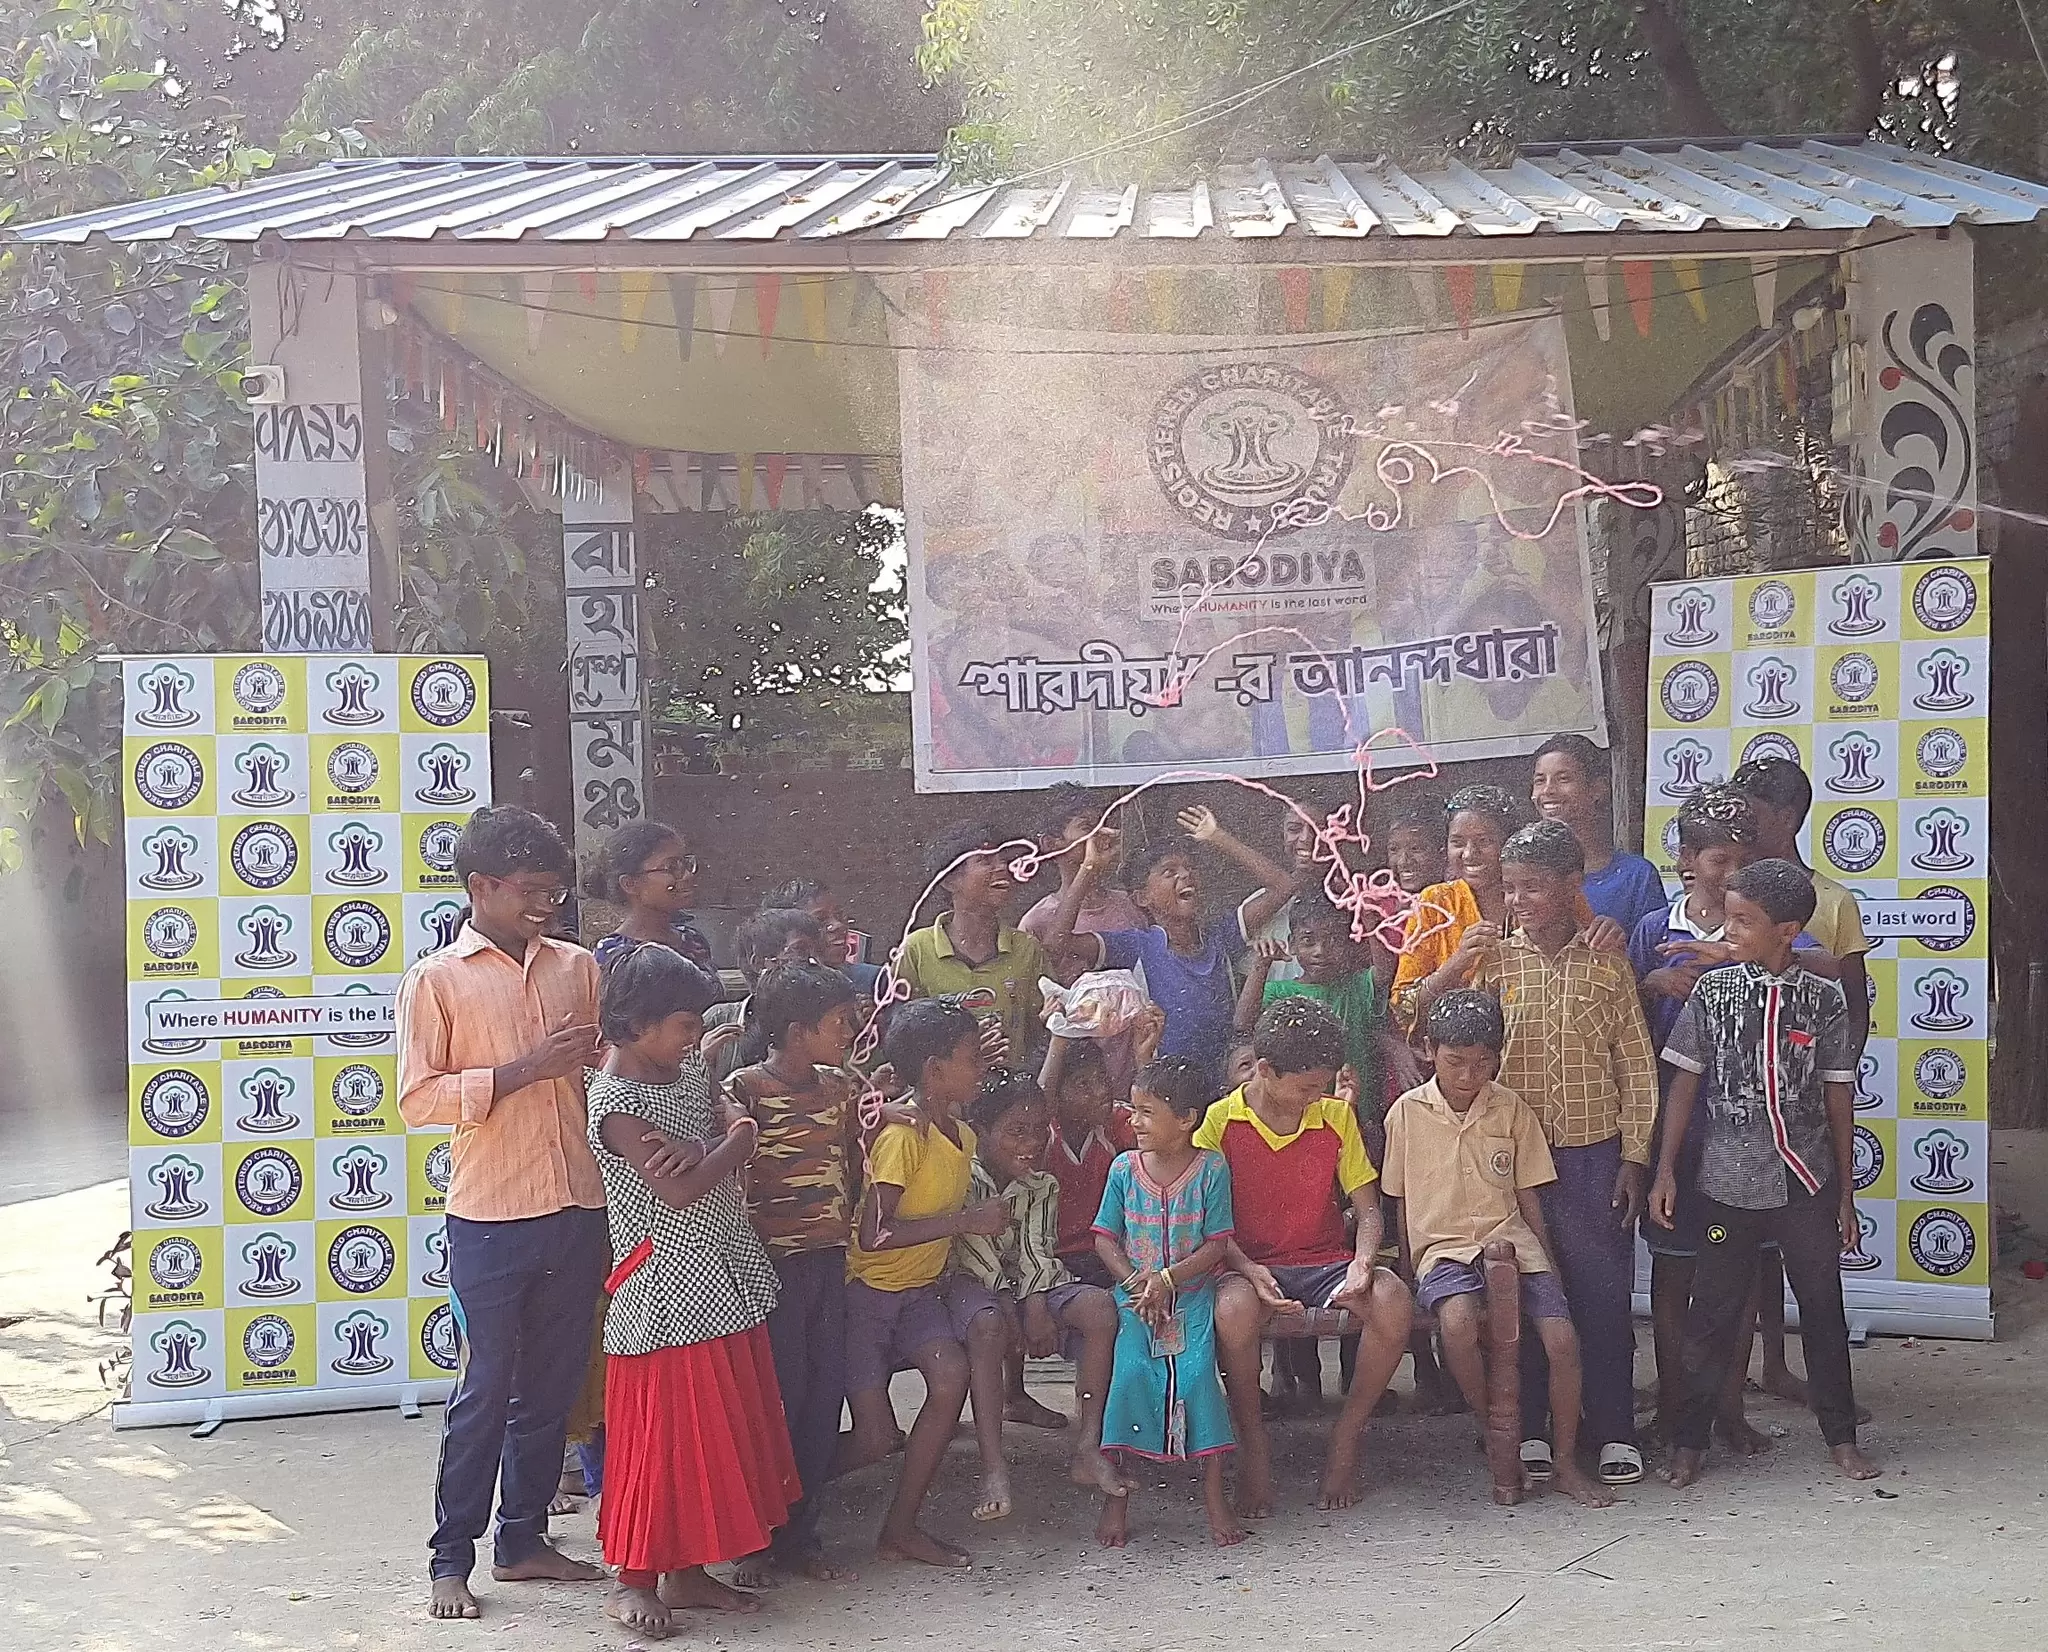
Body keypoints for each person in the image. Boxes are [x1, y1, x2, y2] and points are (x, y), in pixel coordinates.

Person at [396, 806, 611, 1621]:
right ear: (481, 886)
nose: (546, 906)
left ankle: (522, 1543)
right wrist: (522, 1071)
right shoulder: (437, 980)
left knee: (552, 1388)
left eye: (555, 893)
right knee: (485, 1389)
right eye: (531, 891)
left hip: (577, 1204)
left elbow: (600, 1073)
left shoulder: (578, 967)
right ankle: (450, 1560)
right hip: (490, 1215)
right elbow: (417, 1100)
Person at [585, 942, 800, 1639]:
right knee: (663, 1440)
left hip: (721, 1275)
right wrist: (737, 1140)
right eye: (683, 1025)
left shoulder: (680, 1071)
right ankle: (633, 1579)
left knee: (709, 1437)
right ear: (635, 1025)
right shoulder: (616, 1102)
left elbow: (718, 1115)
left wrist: (721, 1137)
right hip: (666, 1292)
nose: (693, 1037)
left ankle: (687, 1573)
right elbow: (680, 1188)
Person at [1650, 859, 1879, 1487]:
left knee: (1822, 1309)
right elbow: (1683, 1085)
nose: (1730, 931)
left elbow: (1838, 1096)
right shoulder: (1713, 992)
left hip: (1806, 1182)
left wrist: (1845, 1195)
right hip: (1727, 1183)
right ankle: (1689, 1443)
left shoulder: (1823, 999)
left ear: (1788, 930)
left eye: (1744, 921)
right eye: (1729, 918)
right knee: (1711, 1314)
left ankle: (1841, 1438)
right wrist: (1666, 1170)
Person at [1472, 820, 1658, 1489]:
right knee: (1525, 1296)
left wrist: (1634, 1157)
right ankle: (1531, 1429)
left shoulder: (1607, 964)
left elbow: (1635, 1065)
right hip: (1514, 1164)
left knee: (1601, 1295)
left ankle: (1613, 1430)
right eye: (1510, 888)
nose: (1518, 900)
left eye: (1533, 887)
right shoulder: (1495, 963)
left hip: (1591, 1156)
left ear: (1572, 885)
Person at [1382, 990, 1612, 1509]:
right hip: (1442, 1249)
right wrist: (1409, 1272)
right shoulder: (1405, 1115)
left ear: (1498, 1058)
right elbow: (1400, 1201)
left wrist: (1547, 1263)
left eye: (1482, 1062)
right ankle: (1494, 1430)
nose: (1468, 1075)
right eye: (1455, 1061)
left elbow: (1529, 1197)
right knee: (1458, 1325)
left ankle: (1565, 1462)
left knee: (1562, 1340)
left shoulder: (1511, 1109)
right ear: (1428, 1051)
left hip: (1513, 1242)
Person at [1197, 997, 1415, 1515]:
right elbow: (1207, 1221)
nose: (1315, 1097)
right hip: (1246, 1264)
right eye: (1305, 1088)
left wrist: (1363, 1262)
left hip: (1322, 1262)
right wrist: (1248, 1269)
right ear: (1265, 1070)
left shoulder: (1335, 1116)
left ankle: (1348, 1433)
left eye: (1322, 1086)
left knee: (1393, 1299)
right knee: (1232, 1310)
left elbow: (1368, 1210)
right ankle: (1253, 1443)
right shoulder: (1219, 1122)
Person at [838, 998, 1010, 1567]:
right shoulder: (903, 1137)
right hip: (867, 1298)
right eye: (971, 1058)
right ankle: (781, 1501)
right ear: (934, 1070)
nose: (981, 1067)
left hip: (917, 1295)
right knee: (874, 1439)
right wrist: (966, 1221)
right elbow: (874, 1235)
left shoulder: (960, 1135)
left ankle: (901, 1528)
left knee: (951, 1375)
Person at [1730, 755, 1873, 1408]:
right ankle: (1759, 1369)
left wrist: (1830, 1083)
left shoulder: (1835, 902)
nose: (1742, 826)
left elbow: (1855, 1005)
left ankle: (1808, 1382)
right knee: (1746, 1253)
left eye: (1753, 815)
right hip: (1739, 1116)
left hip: (1805, 1117)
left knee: (1808, 1258)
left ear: (1787, 818)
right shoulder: (1733, 898)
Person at [723, 961, 864, 1583]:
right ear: (798, 1031)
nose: (849, 1031)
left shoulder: (841, 1087)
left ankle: (801, 1536)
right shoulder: (743, 1090)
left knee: (820, 1401)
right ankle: (755, 1538)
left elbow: (854, 1159)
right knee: (773, 1402)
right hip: (768, 1269)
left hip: (828, 1262)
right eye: (839, 1022)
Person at [952, 1068, 1126, 1507]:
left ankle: (1089, 1445)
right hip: (976, 1286)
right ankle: (993, 1468)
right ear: (981, 1131)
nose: (1031, 1143)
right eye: (1016, 1131)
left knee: (1099, 1308)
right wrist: (1013, 1309)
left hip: (1031, 1284)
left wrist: (1034, 1306)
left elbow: (1036, 1248)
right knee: (989, 1325)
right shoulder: (963, 1178)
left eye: (1038, 1130)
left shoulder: (1042, 1184)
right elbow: (976, 1256)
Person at [1091, 1055, 1241, 1549]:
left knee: (1197, 1377)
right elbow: (1105, 1238)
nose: (1134, 1121)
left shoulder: (1210, 1169)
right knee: (1131, 1375)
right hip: (1135, 1299)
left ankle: (1214, 1495)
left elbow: (1217, 1244)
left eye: (1147, 1112)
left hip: (1191, 1298)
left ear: (1186, 1119)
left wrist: (1169, 1280)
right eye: (1133, 1109)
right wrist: (1139, 1282)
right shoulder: (1123, 1169)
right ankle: (1118, 1496)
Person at [1044, 804, 1294, 1094]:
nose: (1186, 875)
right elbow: (1056, 943)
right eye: (1169, 872)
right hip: (1170, 1095)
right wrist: (1090, 867)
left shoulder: (1220, 937)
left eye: (1189, 869)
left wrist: (1218, 837)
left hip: (1225, 1091)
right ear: (1142, 898)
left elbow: (1284, 886)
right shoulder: (1138, 946)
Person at [1393, 785, 1622, 1036]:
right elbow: (1402, 1008)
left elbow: (1597, 968)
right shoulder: (1434, 903)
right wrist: (1457, 963)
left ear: (1509, 842)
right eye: (1457, 842)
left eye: (1484, 842)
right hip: (1465, 1056)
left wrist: (1607, 935)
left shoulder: (1553, 896)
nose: (1469, 854)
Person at [1018, 783, 1148, 1093]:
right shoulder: (1038, 921)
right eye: (1087, 826)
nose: (1101, 834)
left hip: (1132, 1070)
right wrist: (1088, 868)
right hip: (1075, 1079)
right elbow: (1050, 957)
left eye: (1104, 823)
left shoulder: (1129, 906)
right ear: (1051, 844)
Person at [895, 821, 1053, 1068]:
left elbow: (1040, 1031)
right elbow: (902, 1036)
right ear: (949, 880)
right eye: (985, 861)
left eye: (1004, 860)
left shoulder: (1026, 949)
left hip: (1010, 1088)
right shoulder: (917, 949)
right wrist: (966, 1056)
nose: (1002, 868)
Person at [1038, 1009, 1155, 1286]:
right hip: (1054, 1260)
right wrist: (1059, 1038)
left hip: (1107, 1256)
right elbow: (1039, 1108)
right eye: (1083, 1084)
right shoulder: (1042, 1136)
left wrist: (1143, 1059)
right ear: (1058, 1095)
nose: (1101, 1091)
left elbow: (1161, 1126)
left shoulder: (1113, 1123)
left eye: (1102, 1079)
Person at [1531, 733, 1668, 935]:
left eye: (1563, 779)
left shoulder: (1635, 876)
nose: (1547, 790)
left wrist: (1618, 945)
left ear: (1598, 788)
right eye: (1540, 780)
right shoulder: (1519, 875)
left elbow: (1654, 950)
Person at [701, 907, 826, 1086]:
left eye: (818, 952)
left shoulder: (830, 1021)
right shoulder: (717, 1020)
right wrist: (704, 1063)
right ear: (759, 962)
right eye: (800, 950)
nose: (814, 962)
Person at [582, 820, 715, 972]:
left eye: (686, 864)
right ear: (630, 884)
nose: (688, 875)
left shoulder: (692, 941)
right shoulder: (614, 955)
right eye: (671, 867)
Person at [1237, 803, 1322, 985]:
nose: (1306, 838)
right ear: (1282, 836)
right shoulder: (1264, 905)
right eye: (1294, 829)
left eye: (1317, 829)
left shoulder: (1352, 901)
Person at [762, 877, 883, 1004]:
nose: (838, 925)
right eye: (820, 920)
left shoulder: (877, 982)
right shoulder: (770, 998)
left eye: (839, 915)